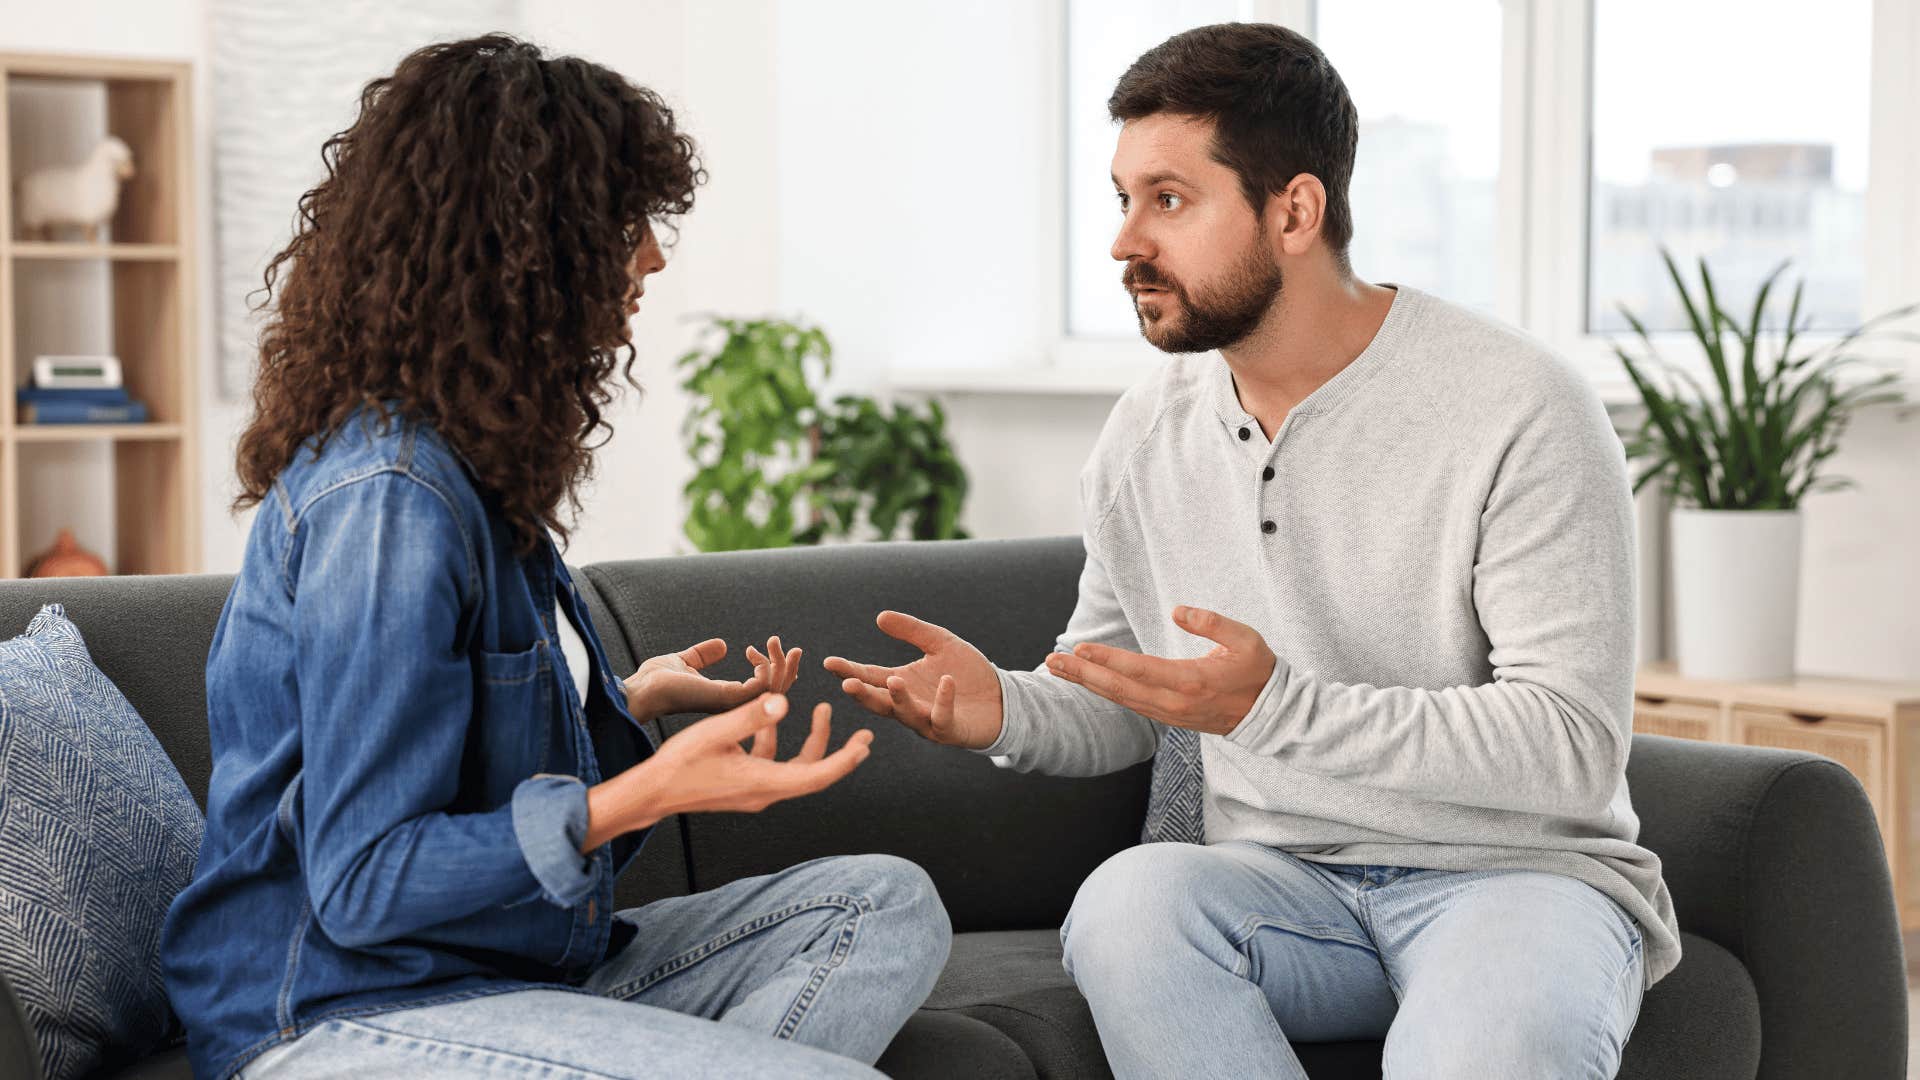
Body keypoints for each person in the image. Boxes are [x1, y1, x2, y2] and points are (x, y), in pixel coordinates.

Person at [826, 22, 1676, 1080]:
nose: (1125, 240)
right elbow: (1130, 696)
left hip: (1516, 877)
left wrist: (1274, 710)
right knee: (1130, 903)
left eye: (1169, 200)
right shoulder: (1147, 432)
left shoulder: (1518, 406)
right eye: (1123, 197)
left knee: (1483, 1052)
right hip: (1278, 885)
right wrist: (1003, 709)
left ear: (1296, 212)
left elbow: (1568, 743)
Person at [160, 35, 949, 1080]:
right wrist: (647, 792)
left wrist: (625, 709)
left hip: (508, 979)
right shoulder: (392, 501)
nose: (653, 260)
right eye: (625, 226)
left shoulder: (483, 479)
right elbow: (361, 883)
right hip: (332, 1013)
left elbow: (498, 805)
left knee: (882, 903)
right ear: (527, 249)